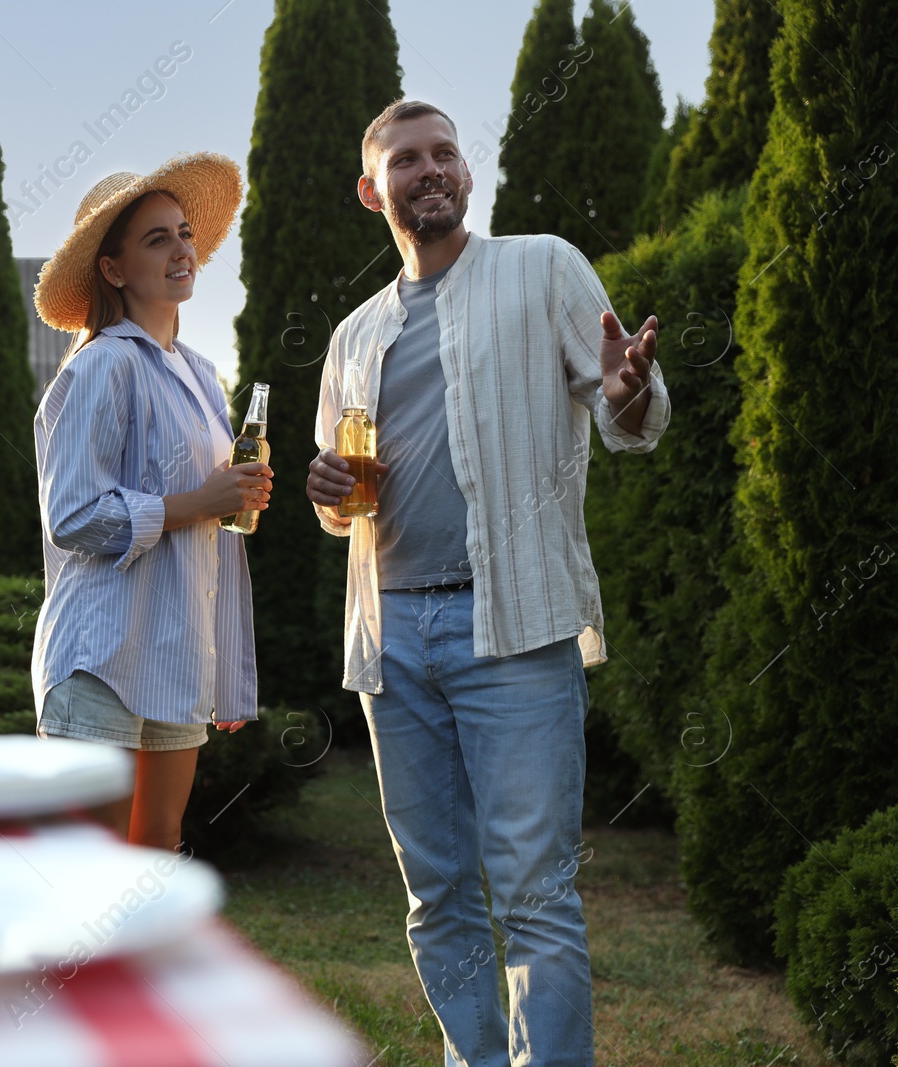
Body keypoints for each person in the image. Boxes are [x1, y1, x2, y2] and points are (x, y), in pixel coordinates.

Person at [305, 100, 670, 1065]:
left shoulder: (540, 266)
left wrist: (630, 391)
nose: (431, 171)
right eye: (408, 160)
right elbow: (341, 501)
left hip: (513, 627)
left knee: (535, 894)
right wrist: (327, 494)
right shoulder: (353, 336)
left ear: (466, 173)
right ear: (370, 189)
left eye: (445, 155)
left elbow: (625, 408)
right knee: (435, 896)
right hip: (394, 640)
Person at [30, 154, 272, 852]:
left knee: (154, 860)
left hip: (174, 654)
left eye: (185, 233)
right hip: (101, 655)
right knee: (90, 875)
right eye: (156, 238)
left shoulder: (199, 373)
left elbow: (216, 531)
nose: (182, 250)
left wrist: (225, 668)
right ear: (112, 269)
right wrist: (199, 499)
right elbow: (73, 515)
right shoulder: (103, 363)